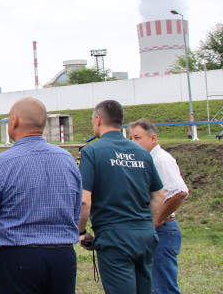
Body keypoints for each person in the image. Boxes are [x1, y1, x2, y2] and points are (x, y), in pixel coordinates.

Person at [0, 97, 82, 294]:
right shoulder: (67, 160)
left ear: (14, 121)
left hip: (17, 256)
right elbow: (76, 209)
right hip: (62, 256)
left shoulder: (0, 163)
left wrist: (4, 248)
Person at [78, 100, 165, 294]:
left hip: (114, 236)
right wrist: (139, 220)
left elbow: (85, 200)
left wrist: (81, 232)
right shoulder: (142, 153)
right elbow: (159, 195)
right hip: (144, 234)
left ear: (98, 119)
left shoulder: (91, 152)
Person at [129, 119, 189, 294]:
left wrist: (157, 219)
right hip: (151, 229)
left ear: (153, 138)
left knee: (164, 287)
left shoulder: (160, 160)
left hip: (163, 230)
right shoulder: (147, 160)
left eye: (138, 137)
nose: (133, 142)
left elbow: (179, 192)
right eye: (131, 138)